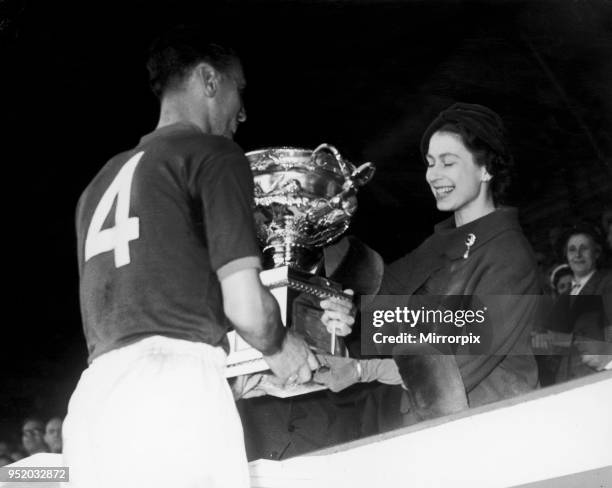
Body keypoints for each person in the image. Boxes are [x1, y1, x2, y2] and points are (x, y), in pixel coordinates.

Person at [63, 26, 317, 488]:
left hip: (93, 404)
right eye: (240, 89)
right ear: (209, 80)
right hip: (173, 393)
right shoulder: (213, 153)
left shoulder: (97, 183)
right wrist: (281, 345)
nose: (243, 112)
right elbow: (244, 307)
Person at [319, 103, 540, 429]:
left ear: (486, 169)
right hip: (430, 426)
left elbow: (450, 369)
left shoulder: (509, 256)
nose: (433, 175)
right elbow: (379, 301)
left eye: (448, 163)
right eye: (430, 163)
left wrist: (362, 369)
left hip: (491, 432)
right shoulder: (440, 244)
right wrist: (348, 310)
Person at [553, 224, 612, 381]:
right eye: (572, 249)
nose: (577, 254)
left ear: (597, 253)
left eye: (584, 248)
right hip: (565, 382)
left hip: (599, 378)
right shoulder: (562, 298)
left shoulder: (607, 282)